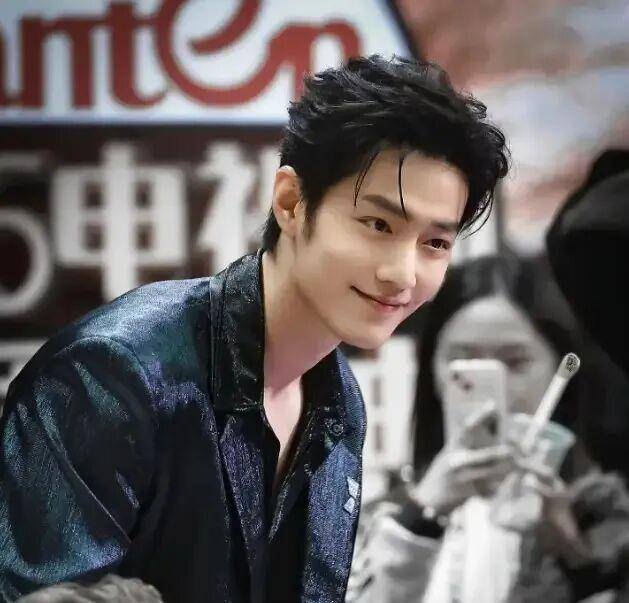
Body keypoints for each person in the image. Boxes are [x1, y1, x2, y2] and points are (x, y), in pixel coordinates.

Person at [0, 55, 509, 602]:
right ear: (291, 203)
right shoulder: (114, 376)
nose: (403, 274)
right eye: (378, 224)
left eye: (435, 243)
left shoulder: (337, 400)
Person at [347, 253, 629, 602]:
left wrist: (573, 557)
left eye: (515, 362)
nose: (495, 389)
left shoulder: (604, 515)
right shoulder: (382, 521)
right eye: (462, 360)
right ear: (432, 370)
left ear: (559, 366)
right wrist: (420, 521)